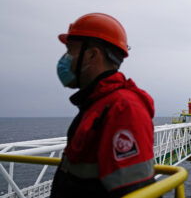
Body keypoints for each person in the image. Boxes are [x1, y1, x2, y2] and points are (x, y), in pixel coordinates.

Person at [51, 13, 155, 198]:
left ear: (91, 55)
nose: (65, 59)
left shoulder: (123, 108)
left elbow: (136, 191)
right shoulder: (97, 104)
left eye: (70, 51)